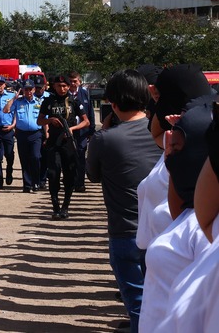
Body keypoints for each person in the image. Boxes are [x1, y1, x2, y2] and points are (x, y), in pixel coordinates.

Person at [86, 69, 161, 333]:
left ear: (113, 104)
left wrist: (102, 132)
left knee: (138, 304)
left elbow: (93, 176)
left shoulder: (105, 139)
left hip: (125, 231)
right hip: (162, 229)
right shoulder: (164, 134)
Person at [139, 94, 212, 333]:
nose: (169, 151)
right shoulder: (195, 218)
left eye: (178, 146)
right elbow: (178, 207)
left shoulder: (206, 233)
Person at [37, 74, 89, 219]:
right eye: (59, 86)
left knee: (69, 174)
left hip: (68, 143)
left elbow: (86, 122)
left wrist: (72, 129)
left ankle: (66, 206)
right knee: (53, 174)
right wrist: (50, 120)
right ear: (54, 86)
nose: (62, 88)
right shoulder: (48, 101)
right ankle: (55, 206)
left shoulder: (74, 101)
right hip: (53, 142)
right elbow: (39, 121)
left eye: (65, 86)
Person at [4, 79, 43, 193]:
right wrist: (14, 98)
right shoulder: (18, 101)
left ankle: (36, 181)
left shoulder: (39, 102)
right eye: (26, 89)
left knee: (36, 157)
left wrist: (47, 132)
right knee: (24, 159)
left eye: (30, 89)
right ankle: (27, 184)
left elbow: (44, 118)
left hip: (36, 133)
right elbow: (6, 110)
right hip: (21, 134)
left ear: (34, 89)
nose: (28, 92)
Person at [68, 71, 96, 192]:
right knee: (69, 156)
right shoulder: (65, 95)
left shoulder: (85, 94)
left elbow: (90, 113)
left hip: (82, 131)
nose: (73, 84)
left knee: (80, 156)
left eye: (75, 81)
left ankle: (80, 183)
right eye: (71, 81)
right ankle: (70, 181)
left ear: (79, 81)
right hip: (68, 131)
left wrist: (91, 130)